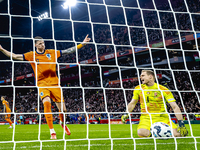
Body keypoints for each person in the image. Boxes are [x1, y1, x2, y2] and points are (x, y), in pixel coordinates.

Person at [0, 35, 91, 139]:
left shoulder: (51, 52)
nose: (42, 45)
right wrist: (2, 49)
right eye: (39, 43)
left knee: (63, 110)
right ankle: (52, 131)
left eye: (43, 43)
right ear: (35, 45)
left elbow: (68, 51)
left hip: (55, 84)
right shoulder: (31, 55)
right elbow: (15, 56)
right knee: (46, 102)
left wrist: (82, 44)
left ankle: (62, 123)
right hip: (42, 84)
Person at [121, 70, 188, 137]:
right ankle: (158, 133)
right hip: (146, 118)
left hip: (162, 117)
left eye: (143, 75)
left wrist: (181, 122)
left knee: (177, 135)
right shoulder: (138, 88)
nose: (140, 77)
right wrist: (126, 113)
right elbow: (132, 103)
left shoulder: (163, 89)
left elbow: (175, 106)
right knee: (142, 133)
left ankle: (159, 133)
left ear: (150, 77)